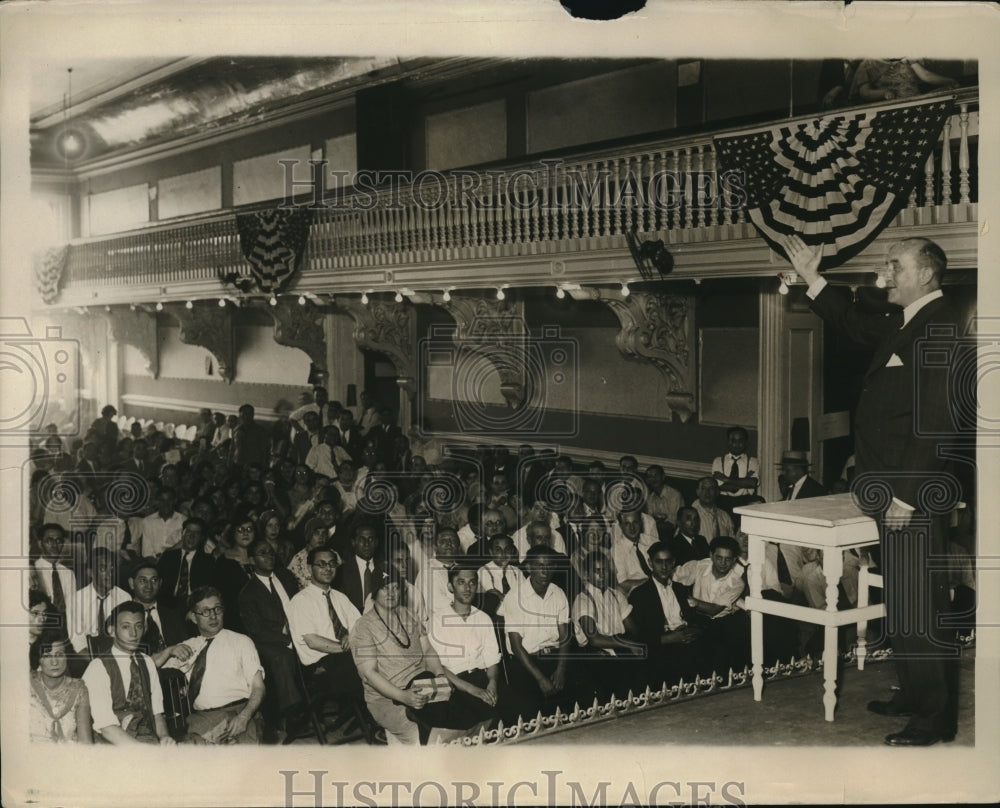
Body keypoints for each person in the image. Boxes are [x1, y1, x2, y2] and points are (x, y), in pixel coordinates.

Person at [782, 233, 966, 746]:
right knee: (903, 603)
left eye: (895, 265)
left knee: (917, 605)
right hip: (888, 493)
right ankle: (913, 694)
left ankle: (934, 719)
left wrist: (907, 496)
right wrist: (813, 278)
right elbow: (852, 322)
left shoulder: (941, 327)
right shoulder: (904, 322)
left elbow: (936, 421)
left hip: (911, 495)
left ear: (926, 273)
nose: (886, 274)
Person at [350, 567, 456, 745]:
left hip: (423, 685)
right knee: (426, 738)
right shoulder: (363, 627)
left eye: (395, 587)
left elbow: (428, 650)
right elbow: (369, 674)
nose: (391, 593)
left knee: (460, 721)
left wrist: (439, 677)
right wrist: (403, 696)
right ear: (374, 593)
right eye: (385, 588)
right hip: (387, 699)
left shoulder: (409, 614)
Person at [497, 545, 596, 722]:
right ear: (528, 568)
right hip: (526, 663)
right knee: (529, 714)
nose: (545, 571)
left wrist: (561, 670)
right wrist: (541, 679)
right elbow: (516, 647)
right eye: (539, 566)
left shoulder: (558, 593)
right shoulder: (515, 597)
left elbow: (565, 636)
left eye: (549, 565)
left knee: (590, 694)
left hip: (555, 658)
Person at [163, 587, 265, 744]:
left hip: (239, 712)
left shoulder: (241, 641)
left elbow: (258, 687)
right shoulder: (187, 647)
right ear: (193, 617)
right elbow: (147, 666)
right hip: (202, 719)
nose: (213, 616)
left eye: (217, 609)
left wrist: (244, 717)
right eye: (205, 611)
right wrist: (169, 650)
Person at [81, 601, 176, 745]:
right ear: (112, 630)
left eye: (138, 626)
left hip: (147, 740)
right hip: (112, 745)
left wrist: (164, 737)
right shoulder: (98, 668)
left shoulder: (147, 662)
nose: (133, 634)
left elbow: (156, 713)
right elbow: (107, 728)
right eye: (126, 627)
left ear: (144, 629)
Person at [425, 562, 502, 735]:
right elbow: (439, 667)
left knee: (520, 709)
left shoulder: (483, 618)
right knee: (487, 718)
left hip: (483, 678)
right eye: (461, 582)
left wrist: (493, 684)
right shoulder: (437, 620)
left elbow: (491, 660)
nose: (467, 588)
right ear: (450, 587)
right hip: (455, 683)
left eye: (472, 582)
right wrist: (473, 690)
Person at [238, 538, 304, 736]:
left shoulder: (286, 577)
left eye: (270, 552)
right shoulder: (247, 593)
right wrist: (287, 639)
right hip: (270, 642)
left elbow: (302, 603)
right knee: (281, 658)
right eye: (262, 553)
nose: (269, 556)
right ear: (251, 560)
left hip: (300, 631)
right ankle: (293, 714)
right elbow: (257, 631)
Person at [627, 542, 710, 685]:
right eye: (659, 562)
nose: (664, 567)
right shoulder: (640, 594)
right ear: (650, 563)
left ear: (674, 563)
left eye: (668, 562)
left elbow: (696, 619)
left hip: (687, 639)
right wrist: (668, 638)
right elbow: (638, 634)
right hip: (662, 645)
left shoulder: (681, 589)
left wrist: (695, 630)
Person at [30, 629, 93, 743]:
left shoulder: (79, 689)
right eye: (47, 656)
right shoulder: (27, 685)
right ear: (38, 660)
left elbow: (85, 742)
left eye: (59, 655)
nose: (54, 662)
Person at [69, 547, 130, 654]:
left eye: (112, 568)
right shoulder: (77, 599)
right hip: (88, 655)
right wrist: (96, 664)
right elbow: (77, 641)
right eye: (103, 569)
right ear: (91, 573)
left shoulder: (124, 597)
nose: (110, 574)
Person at [157, 517, 215, 613]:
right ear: (182, 534)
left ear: (201, 538)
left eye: (196, 533)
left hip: (195, 606)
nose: (191, 536)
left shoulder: (207, 561)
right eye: (188, 532)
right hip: (168, 605)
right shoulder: (168, 556)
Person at [333, 521, 385, 613]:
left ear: (376, 543)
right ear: (353, 542)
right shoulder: (341, 572)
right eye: (362, 539)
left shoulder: (385, 569)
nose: (366, 544)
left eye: (370, 539)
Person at [711, 427, 761, 511]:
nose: (737, 444)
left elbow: (753, 483)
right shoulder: (718, 461)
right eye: (733, 440)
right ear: (728, 442)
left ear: (746, 443)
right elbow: (719, 486)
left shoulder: (753, 461)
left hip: (745, 501)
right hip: (723, 502)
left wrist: (726, 479)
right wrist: (744, 482)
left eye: (740, 441)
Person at [691, 477, 734, 543]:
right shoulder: (690, 515)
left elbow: (732, 542)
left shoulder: (725, 516)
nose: (707, 492)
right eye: (703, 488)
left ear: (717, 492)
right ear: (697, 492)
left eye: (711, 488)